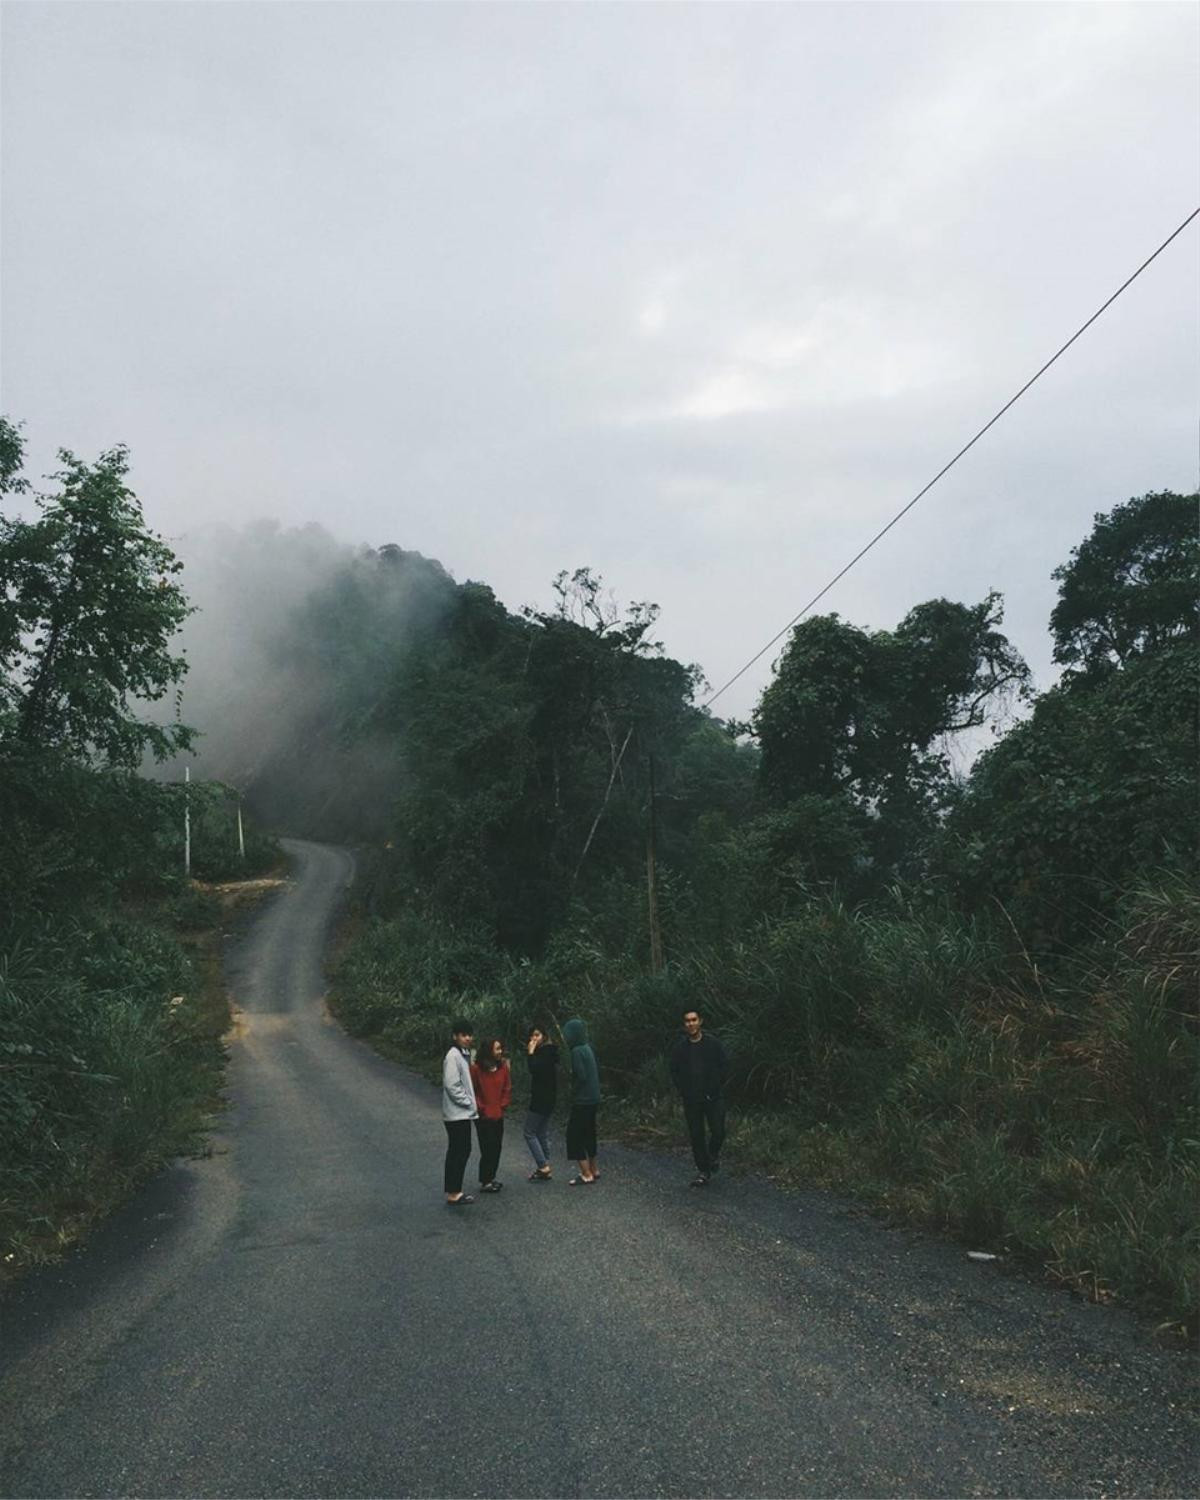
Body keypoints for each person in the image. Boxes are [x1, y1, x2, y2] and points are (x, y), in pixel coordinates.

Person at [668, 1008, 729, 1187]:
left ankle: (713, 1155)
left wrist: (716, 1086)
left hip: (713, 1097)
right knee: (697, 1135)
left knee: (718, 1131)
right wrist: (683, 1090)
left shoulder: (713, 1044)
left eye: (694, 1020)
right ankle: (703, 1170)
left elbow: (724, 1066)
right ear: (684, 1024)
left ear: (700, 1021)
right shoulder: (680, 1048)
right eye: (687, 1021)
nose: (691, 1023)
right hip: (692, 1099)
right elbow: (674, 1071)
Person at [442, 1020, 478, 1205]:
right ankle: (454, 1191)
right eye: (463, 1035)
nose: (467, 1038)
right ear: (455, 1036)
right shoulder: (453, 1056)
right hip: (457, 1113)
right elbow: (451, 1085)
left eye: (469, 1035)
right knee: (459, 1150)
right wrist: (469, 1103)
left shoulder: (463, 1054)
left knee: (460, 1149)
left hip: (460, 1113)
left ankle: (454, 1189)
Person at [470, 1037, 512, 1193]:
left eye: (501, 1048)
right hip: (484, 1115)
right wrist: (481, 1107)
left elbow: (507, 1088)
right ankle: (486, 1180)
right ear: (488, 1051)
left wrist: (503, 1105)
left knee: (497, 1147)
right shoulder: (476, 1069)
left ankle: (491, 1177)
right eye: (497, 1049)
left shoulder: (503, 1068)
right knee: (487, 1148)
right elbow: (472, 1091)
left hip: (498, 1113)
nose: (500, 1051)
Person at [562, 1017, 600, 1185]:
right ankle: (594, 1169)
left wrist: (572, 1092)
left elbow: (581, 1076)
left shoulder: (576, 1050)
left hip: (583, 1100)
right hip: (594, 1098)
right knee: (589, 1133)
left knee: (574, 1135)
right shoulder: (588, 1047)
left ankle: (586, 1173)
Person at [523, 1022, 558, 1181]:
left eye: (537, 1035)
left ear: (544, 1036)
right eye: (532, 1036)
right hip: (549, 1097)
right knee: (541, 1132)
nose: (533, 1038)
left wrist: (530, 1053)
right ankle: (545, 1167)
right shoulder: (549, 1051)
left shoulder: (545, 1052)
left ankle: (543, 1166)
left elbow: (534, 1069)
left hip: (541, 1098)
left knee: (529, 1132)